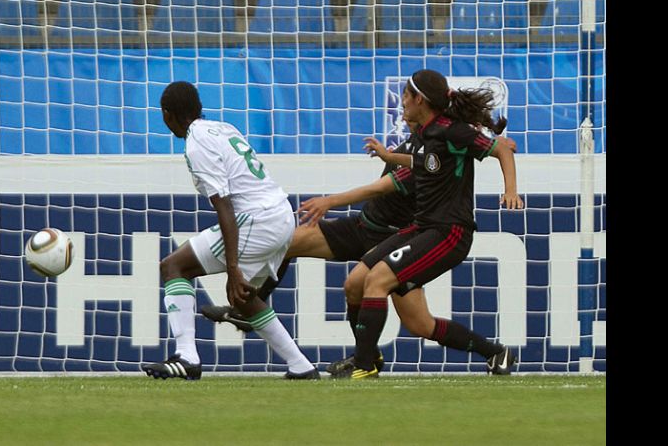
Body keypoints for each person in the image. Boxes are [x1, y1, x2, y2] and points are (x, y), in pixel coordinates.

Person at [202, 111, 519, 377]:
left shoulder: (433, 153)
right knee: (287, 241)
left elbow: (379, 188)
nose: (405, 111)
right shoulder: (420, 142)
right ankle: (252, 308)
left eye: (410, 102)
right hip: (362, 227)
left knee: (420, 324)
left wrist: (330, 201)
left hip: (394, 239)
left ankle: (494, 352)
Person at [332, 69, 523, 379]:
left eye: (405, 96)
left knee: (377, 281)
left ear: (419, 99)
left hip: (449, 232)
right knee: (359, 286)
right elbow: (425, 160)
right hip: (423, 227)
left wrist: (511, 191)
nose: (402, 103)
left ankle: (365, 364)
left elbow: (501, 149)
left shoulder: (452, 130)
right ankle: (495, 353)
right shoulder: (425, 132)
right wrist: (389, 155)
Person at [141, 81, 319, 380]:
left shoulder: (197, 143)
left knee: (174, 266)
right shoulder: (223, 128)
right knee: (243, 298)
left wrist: (233, 267)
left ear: (167, 115)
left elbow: (223, 205)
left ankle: (187, 358)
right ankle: (301, 366)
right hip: (281, 214)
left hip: (258, 219)